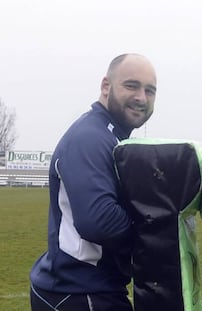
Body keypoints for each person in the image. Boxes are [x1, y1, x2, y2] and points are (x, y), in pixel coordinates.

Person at [29, 53, 157, 311]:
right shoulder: (90, 137)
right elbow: (98, 221)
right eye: (131, 85)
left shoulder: (111, 136)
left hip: (85, 287)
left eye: (150, 90)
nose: (141, 98)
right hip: (80, 292)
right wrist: (156, 227)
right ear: (106, 86)